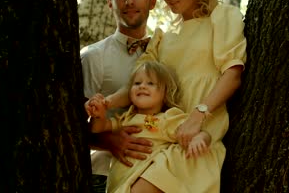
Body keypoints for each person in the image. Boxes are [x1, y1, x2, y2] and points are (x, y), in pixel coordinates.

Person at [95, 0, 247, 192]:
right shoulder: (162, 38)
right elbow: (136, 84)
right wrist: (105, 102)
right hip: (156, 137)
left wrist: (197, 117)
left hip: (195, 139)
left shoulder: (222, 17)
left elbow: (233, 74)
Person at [80, 0, 157, 193]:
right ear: (110, 3)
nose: (129, 1)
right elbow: (71, 124)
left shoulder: (165, 52)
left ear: (152, 2)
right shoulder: (93, 56)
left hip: (156, 175)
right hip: (105, 174)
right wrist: (110, 142)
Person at [86, 61, 211, 193]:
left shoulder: (168, 118)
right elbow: (98, 128)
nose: (142, 86)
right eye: (137, 83)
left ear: (165, 92)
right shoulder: (126, 118)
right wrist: (98, 113)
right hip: (121, 181)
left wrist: (200, 139)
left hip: (144, 180)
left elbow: (198, 132)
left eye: (151, 83)